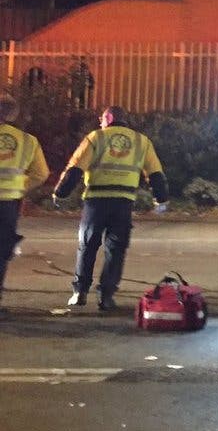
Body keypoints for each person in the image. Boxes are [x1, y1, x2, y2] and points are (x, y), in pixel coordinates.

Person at [54, 106, 169, 310]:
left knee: (87, 246)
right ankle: (106, 296)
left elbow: (76, 168)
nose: (100, 121)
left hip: (96, 202)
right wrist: (161, 199)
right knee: (116, 250)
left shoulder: (96, 137)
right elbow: (155, 173)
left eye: (102, 118)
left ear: (109, 117)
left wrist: (60, 193)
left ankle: (80, 292)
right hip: (123, 203)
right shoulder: (142, 141)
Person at [0, 95, 50, 315]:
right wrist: (20, 187)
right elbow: (41, 174)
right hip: (8, 203)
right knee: (1, 252)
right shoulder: (27, 141)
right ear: (13, 114)